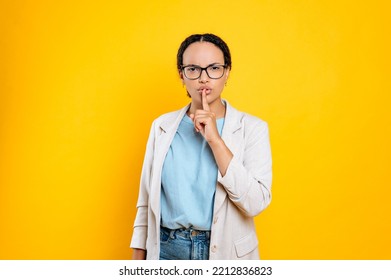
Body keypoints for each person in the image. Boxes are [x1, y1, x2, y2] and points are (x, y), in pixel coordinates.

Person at [130, 33, 272, 260]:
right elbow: (146, 202)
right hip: (168, 250)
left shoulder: (253, 128)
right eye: (193, 69)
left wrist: (215, 140)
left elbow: (255, 202)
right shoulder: (162, 127)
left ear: (227, 73)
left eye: (214, 68)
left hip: (227, 252)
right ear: (181, 75)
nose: (204, 78)